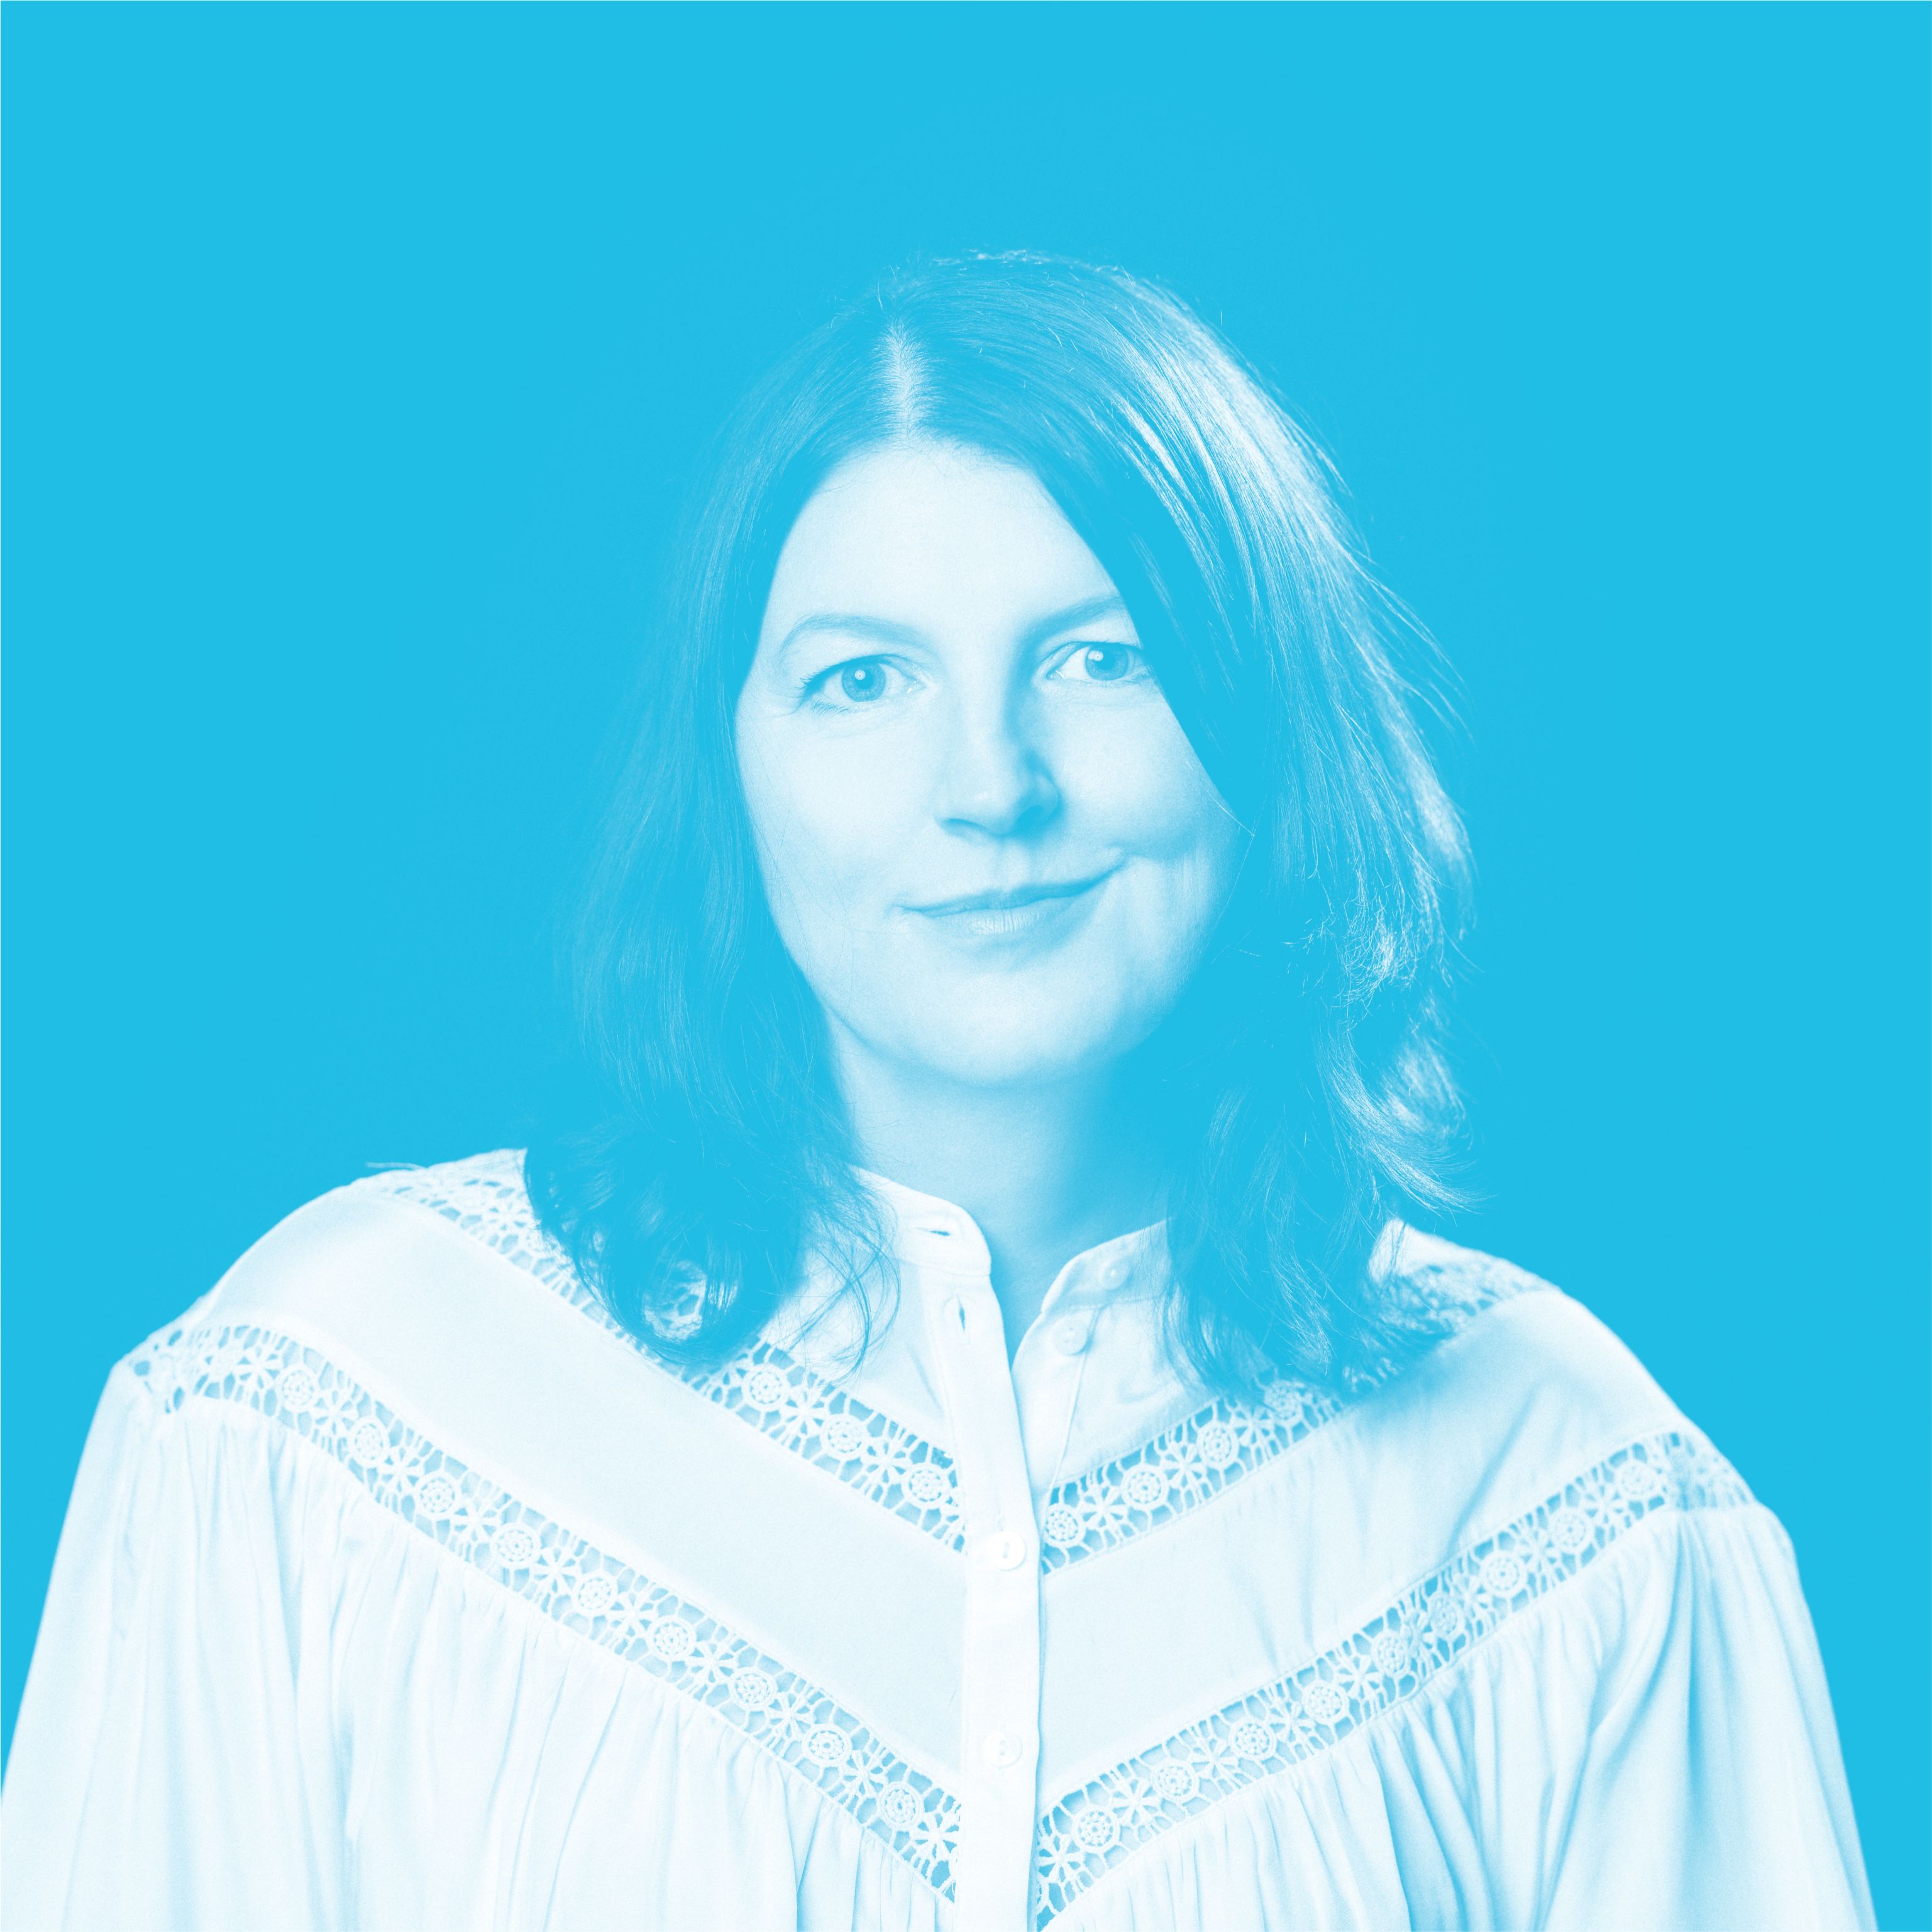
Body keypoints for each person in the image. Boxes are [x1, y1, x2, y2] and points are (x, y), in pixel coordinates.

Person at [2, 255, 1872, 1932]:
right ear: (728, 761)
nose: (991, 784)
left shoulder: (1571, 1511)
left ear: (1265, 727)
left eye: (1102, 659)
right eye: (861, 680)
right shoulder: (322, 1415)